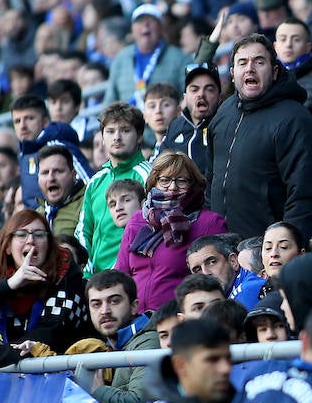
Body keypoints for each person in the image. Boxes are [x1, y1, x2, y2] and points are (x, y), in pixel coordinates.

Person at [207, 33, 312, 239]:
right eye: (242, 63)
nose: (250, 68)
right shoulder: (223, 112)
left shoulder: (295, 120)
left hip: (266, 251)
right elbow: (211, 180)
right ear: (233, 73)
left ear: (274, 71)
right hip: (221, 249)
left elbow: (304, 198)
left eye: (259, 62)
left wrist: (284, 250)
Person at [0, 209, 90, 351]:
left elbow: (46, 338)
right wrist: (9, 285)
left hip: (63, 367)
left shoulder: (65, 273)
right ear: (8, 247)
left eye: (39, 234)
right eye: (22, 235)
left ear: (48, 246)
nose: (31, 241)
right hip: (5, 365)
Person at [114, 151, 227, 312]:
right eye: (164, 180)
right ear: (154, 183)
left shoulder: (209, 223)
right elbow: (121, 275)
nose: (172, 187)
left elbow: (221, 279)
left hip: (179, 319)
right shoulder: (138, 220)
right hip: (136, 320)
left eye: (181, 181)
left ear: (193, 184)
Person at [77, 102, 153, 274]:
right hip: (92, 278)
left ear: (139, 136)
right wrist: (86, 271)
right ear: (102, 138)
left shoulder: (148, 176)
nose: (117, 137)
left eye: (125, 130)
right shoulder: (95, 181)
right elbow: (83, 230)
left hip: (129, 275)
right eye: (110, 131)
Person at [84, 270, 154, 403]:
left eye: (114, 301)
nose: (105, 311)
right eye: (96, 304)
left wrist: (98, 391)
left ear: (134, 306)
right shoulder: (103, 348)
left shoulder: (150, 341)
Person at [106, 5, 190, 107]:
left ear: (161, 27)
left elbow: (188, 96)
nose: (145, 24)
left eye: (151, 20)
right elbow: (110, 100)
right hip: (129, 121)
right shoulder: (121, 58)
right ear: (132, 30)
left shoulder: (180, 58)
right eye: (140, 21)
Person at [160, 63, 221, 177]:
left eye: (209, 89)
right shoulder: (175, 126)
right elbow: (160, 168)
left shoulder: (226, 127)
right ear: (185, 97)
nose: (201, 94)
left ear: (219, 97)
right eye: (194, 89)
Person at [185, 234, 265, 309]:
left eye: (212, 262)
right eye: (197, 269)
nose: (206, 273)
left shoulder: (250, 290)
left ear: (233, 261)